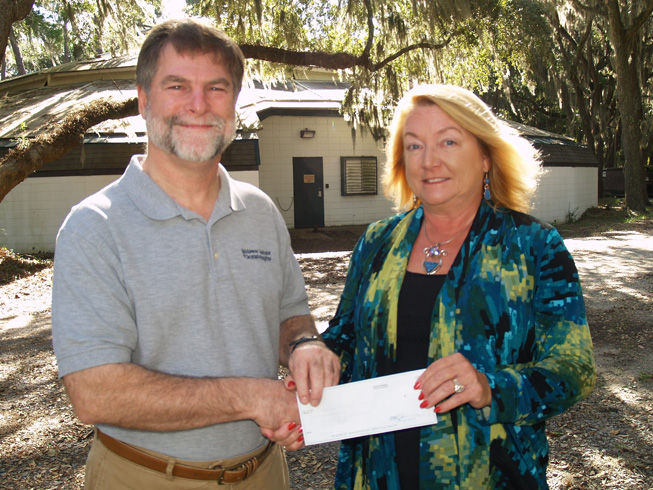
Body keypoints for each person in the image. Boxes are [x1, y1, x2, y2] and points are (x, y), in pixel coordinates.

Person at [51, 18, 339, 489]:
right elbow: (95, 393)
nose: (199, 105)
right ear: (144, 100)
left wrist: (304, 345)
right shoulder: (95, 226)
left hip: (265, 472)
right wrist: (249, 398)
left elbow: (289, 313)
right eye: (177, 85)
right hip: (144, 476)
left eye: (217, 88)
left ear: (235, 105)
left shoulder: (260, 212)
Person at [321, 84, 596, 489]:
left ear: (486, 156)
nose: (429, 161)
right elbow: (345, 336)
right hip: (378, 472)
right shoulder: (378, 242)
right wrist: (318, 358)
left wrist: (492, 387)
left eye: (448, 141)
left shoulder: (532, 246)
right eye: (414, 146)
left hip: (489, 476)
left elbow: (574, 369)